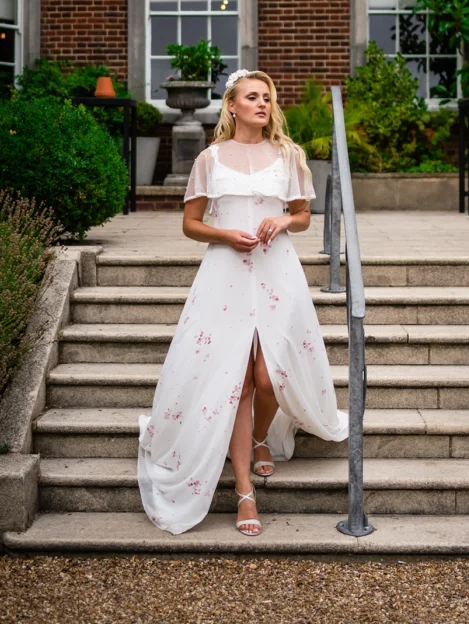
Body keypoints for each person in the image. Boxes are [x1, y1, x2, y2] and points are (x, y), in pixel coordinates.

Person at [137, 69, 349, 536]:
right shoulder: (210, 160)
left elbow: (303, 216)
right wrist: (225, 234)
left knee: (269, 377)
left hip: (277, 275)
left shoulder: (288, 156)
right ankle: (245, 495)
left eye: (268, 98)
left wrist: (281, 220)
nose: (262, 104)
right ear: (232, 105)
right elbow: (191, 224)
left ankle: (259, 438)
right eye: (252, 97)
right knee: (240, 385)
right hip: (226, 276)